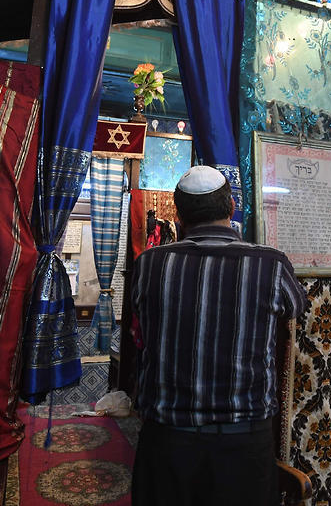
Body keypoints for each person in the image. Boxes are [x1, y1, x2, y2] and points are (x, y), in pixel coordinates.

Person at [129, 165, 308, 505]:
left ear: (178, 213)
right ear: (231, 209)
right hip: (244, 446)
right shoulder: (271, 264)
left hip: (167, 443)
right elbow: (294, 307)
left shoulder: (151, 263)